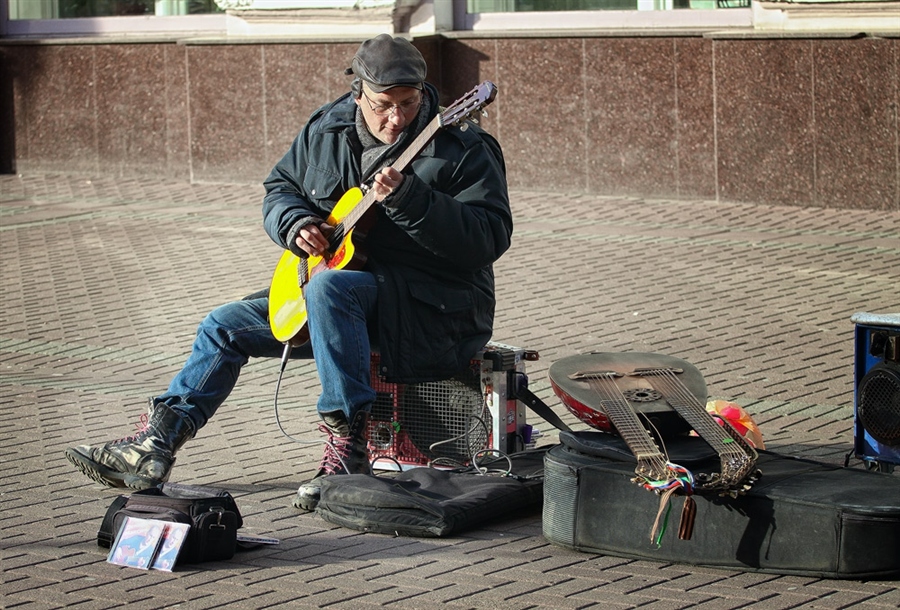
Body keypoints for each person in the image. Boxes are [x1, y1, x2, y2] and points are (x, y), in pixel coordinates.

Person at [65, 34, 512, 512]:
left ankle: (347, 454)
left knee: (330, 287)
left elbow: (489, 237)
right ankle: (156, 443)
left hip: (429, 306)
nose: (396, 119)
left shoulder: (463, 147)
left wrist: (411, 199)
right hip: (339, 291)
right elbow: (280, 188)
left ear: (423, 93)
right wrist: (295, 224)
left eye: (408, 103)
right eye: (383, 105)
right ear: (358, 91)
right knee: (224, 326)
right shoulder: (327, 129)